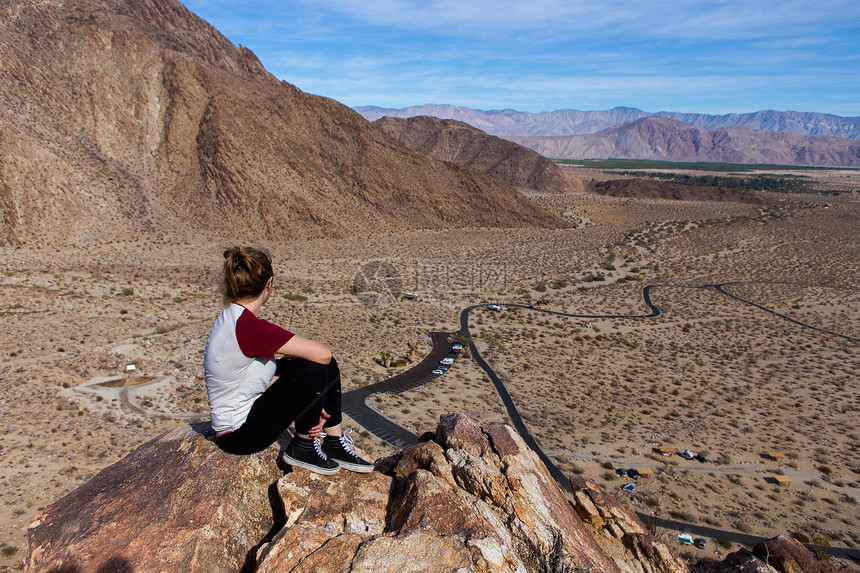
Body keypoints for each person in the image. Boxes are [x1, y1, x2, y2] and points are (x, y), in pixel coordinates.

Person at [203, 246, 373, 474]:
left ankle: (334, 442)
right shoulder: (249, 327)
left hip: (243, 419)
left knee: (318, 367)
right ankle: (303, 446)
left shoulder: (231, 319)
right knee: (315, 368)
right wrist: (312, 393)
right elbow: (323, 353)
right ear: (269, 284)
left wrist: (313, 400)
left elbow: (249, 376)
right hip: (239, 435)